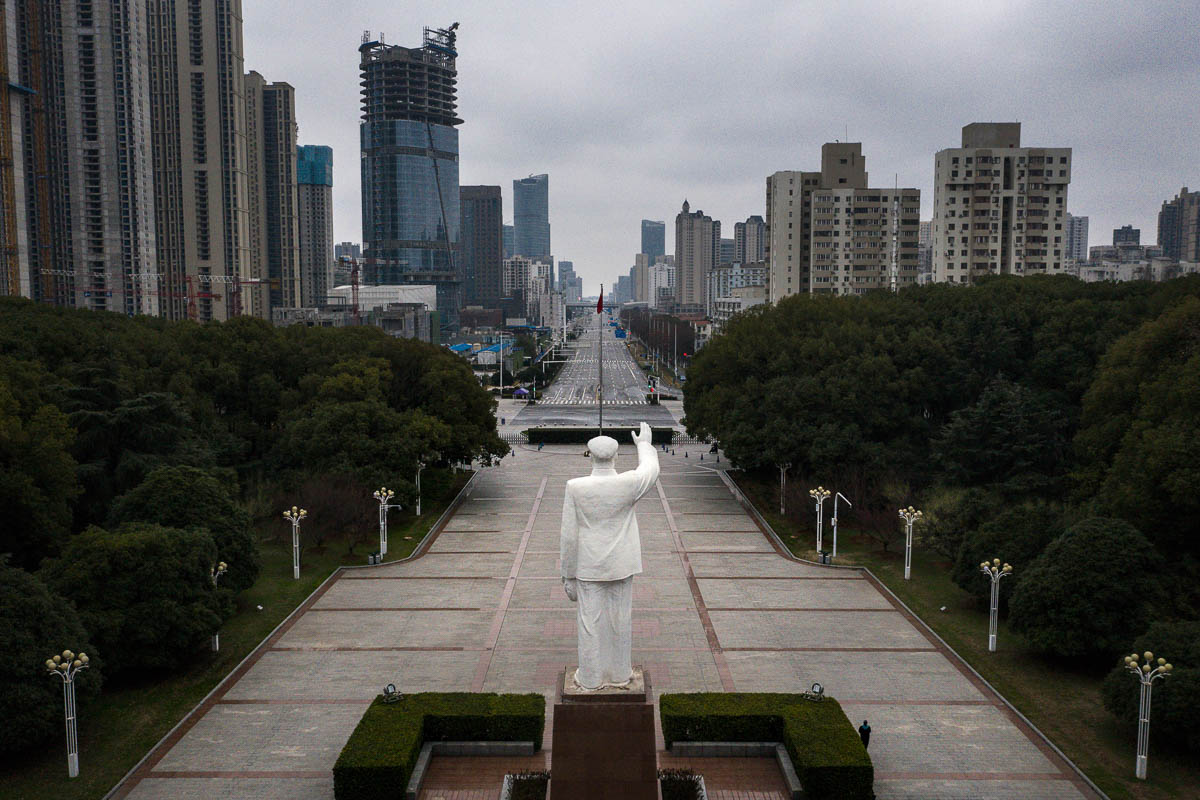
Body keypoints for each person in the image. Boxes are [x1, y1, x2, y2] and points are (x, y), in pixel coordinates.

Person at [560, 422, 660, 689]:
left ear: (590, 456)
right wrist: (644, 445)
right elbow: (651, 471)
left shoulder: (575, 487)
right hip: (621, 564)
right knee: (620, 619)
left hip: (588, 567)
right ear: (616, 457)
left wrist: (568, 575)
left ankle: (591, 678)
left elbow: (569, 536)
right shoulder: (627, 484)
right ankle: (619, 674)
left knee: (589, 624)